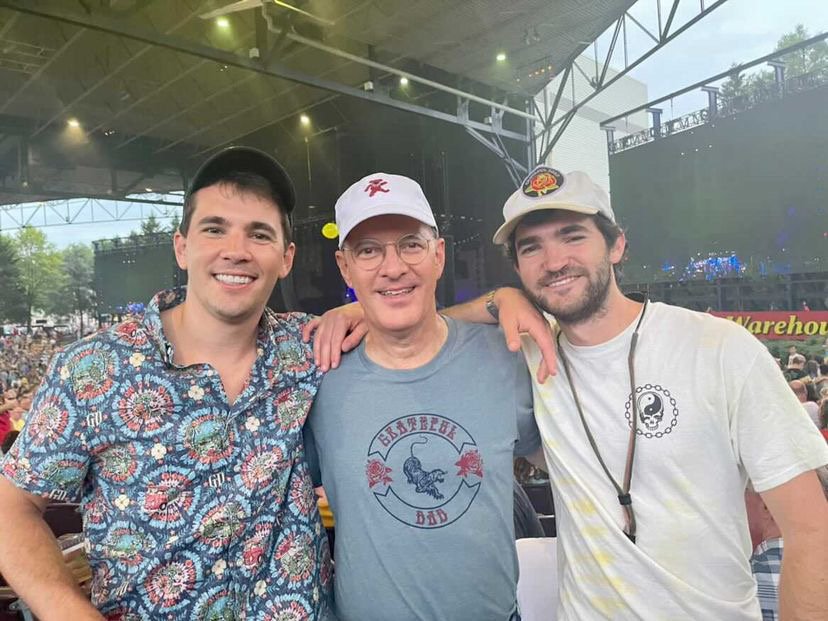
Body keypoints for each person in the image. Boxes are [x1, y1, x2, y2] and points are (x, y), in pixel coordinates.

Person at [450, 166, 828, 619]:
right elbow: (423, 331)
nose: (553, 261)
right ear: (517, 268)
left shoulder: (719, 348)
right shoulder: (530, 352)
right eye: (531, 247)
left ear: (616, 245)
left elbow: (812, 530)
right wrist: (500, 299)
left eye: (572, 236)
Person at [0, 147, 332, 620]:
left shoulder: (308, 347)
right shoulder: (94, 367)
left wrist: (360, 311)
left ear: (286, 258)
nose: (236, 250)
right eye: (214, 229)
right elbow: (10, 507)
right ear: (182, 247)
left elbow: (409, 328)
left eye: (259, 234)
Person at [304, 173, 542, 621]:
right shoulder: (319, 377)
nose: (393, 267)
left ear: (439, 255)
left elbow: (570, 468)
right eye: (368, 251)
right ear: (344, 267)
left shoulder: (505, 355)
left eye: (411, 244)